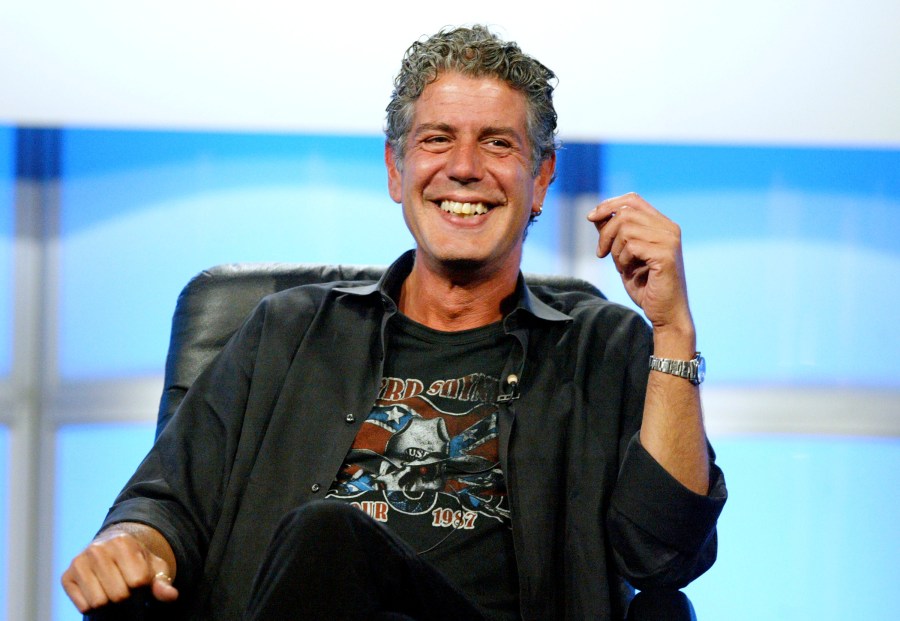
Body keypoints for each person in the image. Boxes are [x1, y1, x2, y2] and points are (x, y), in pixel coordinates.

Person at [62, 25, 726, 620]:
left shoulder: (601, 346)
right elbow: (165, 503)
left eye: (498, 144)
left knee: (330, 534)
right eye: (437, 140)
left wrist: (673, 329)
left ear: (542, 178)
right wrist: (128, 542)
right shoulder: (287, 332)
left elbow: (665, 558)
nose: (463, 168)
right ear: (395, 168)